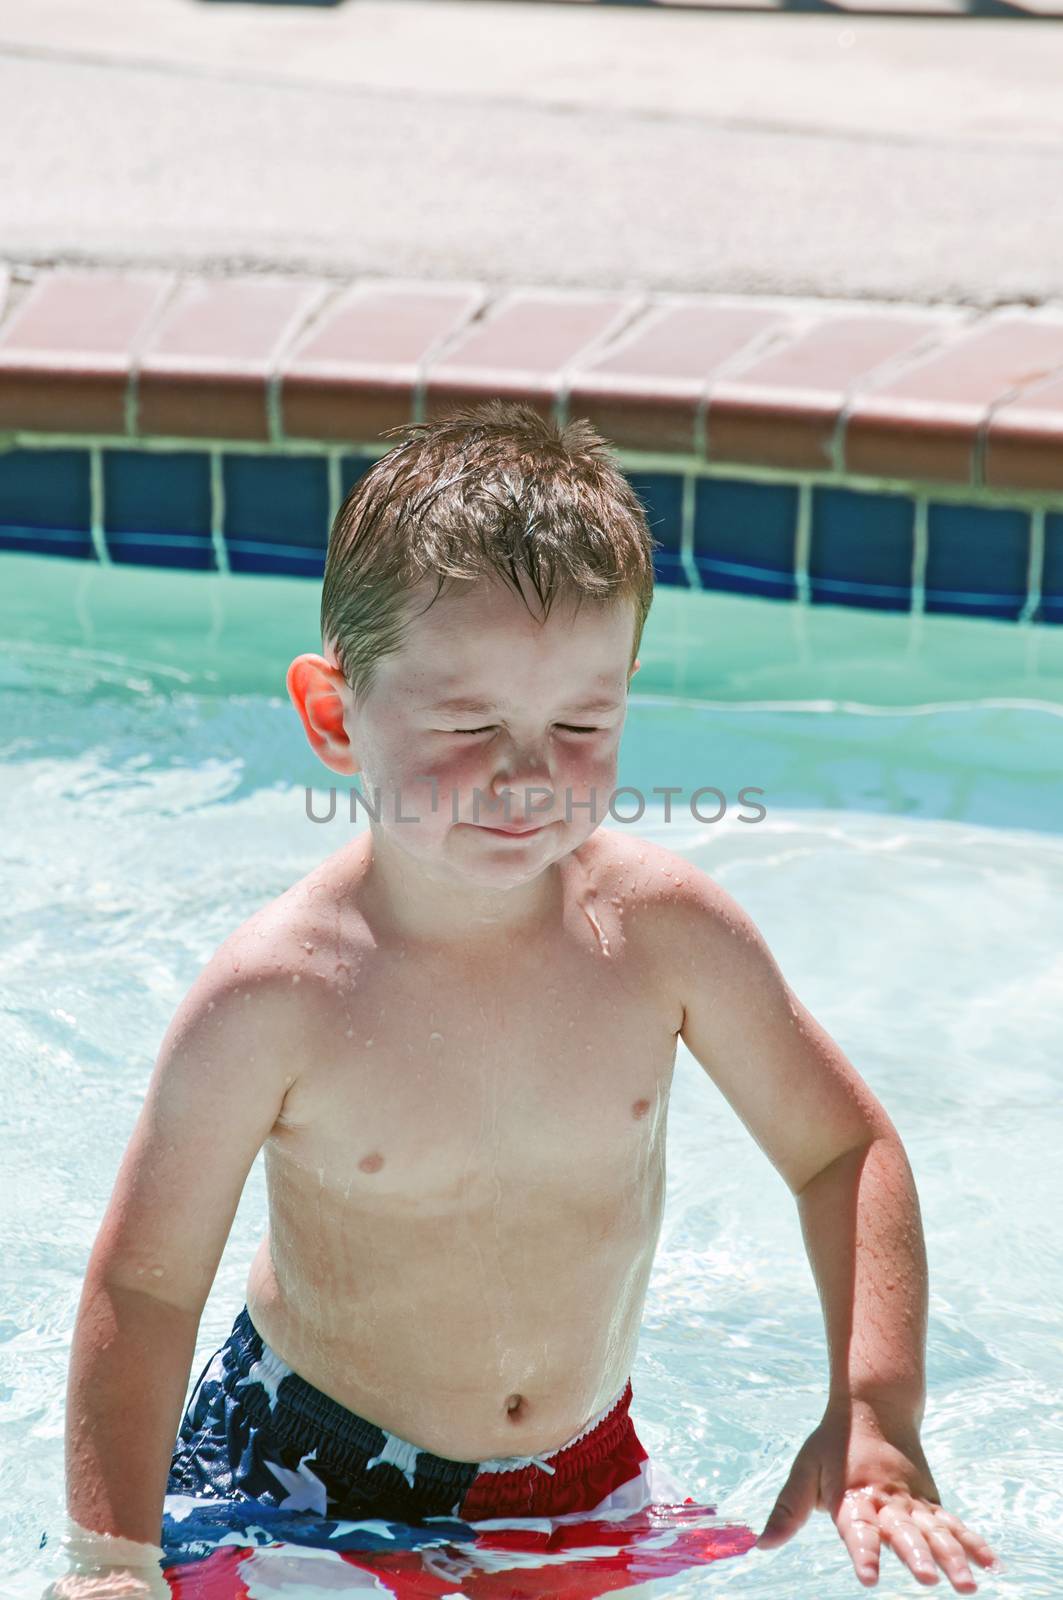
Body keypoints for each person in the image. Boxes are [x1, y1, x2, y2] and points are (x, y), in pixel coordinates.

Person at [62, 401, 1001, 1594]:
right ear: (334, 716)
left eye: (580, 722)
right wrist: (108, 1561)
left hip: (583, 1473)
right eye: (468, 723)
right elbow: (144, 1285)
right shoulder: (280, 994)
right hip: (305, 1482)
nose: (527, 774)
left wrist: (873, 1408)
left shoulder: (662, 938)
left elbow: (841, 1150)